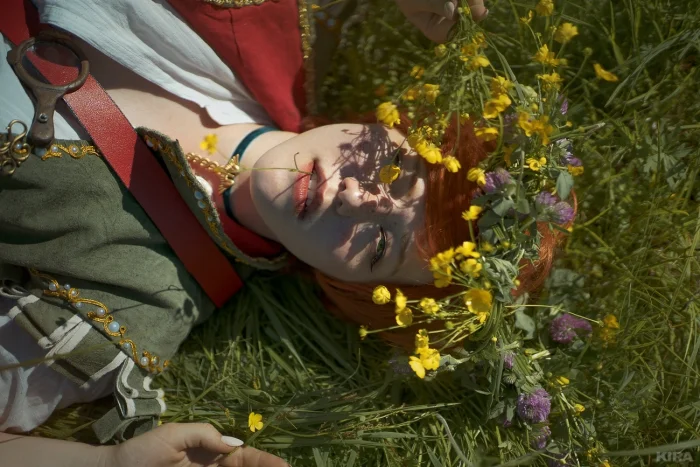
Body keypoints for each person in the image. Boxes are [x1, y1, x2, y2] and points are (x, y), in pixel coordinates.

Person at [0, 0, 547, 466]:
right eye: (394, 170)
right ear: (392, 126)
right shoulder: (287, 24)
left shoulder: (134, 304)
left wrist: (110, 463)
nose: (356, 198)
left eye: (382, 245)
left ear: (350, 287)